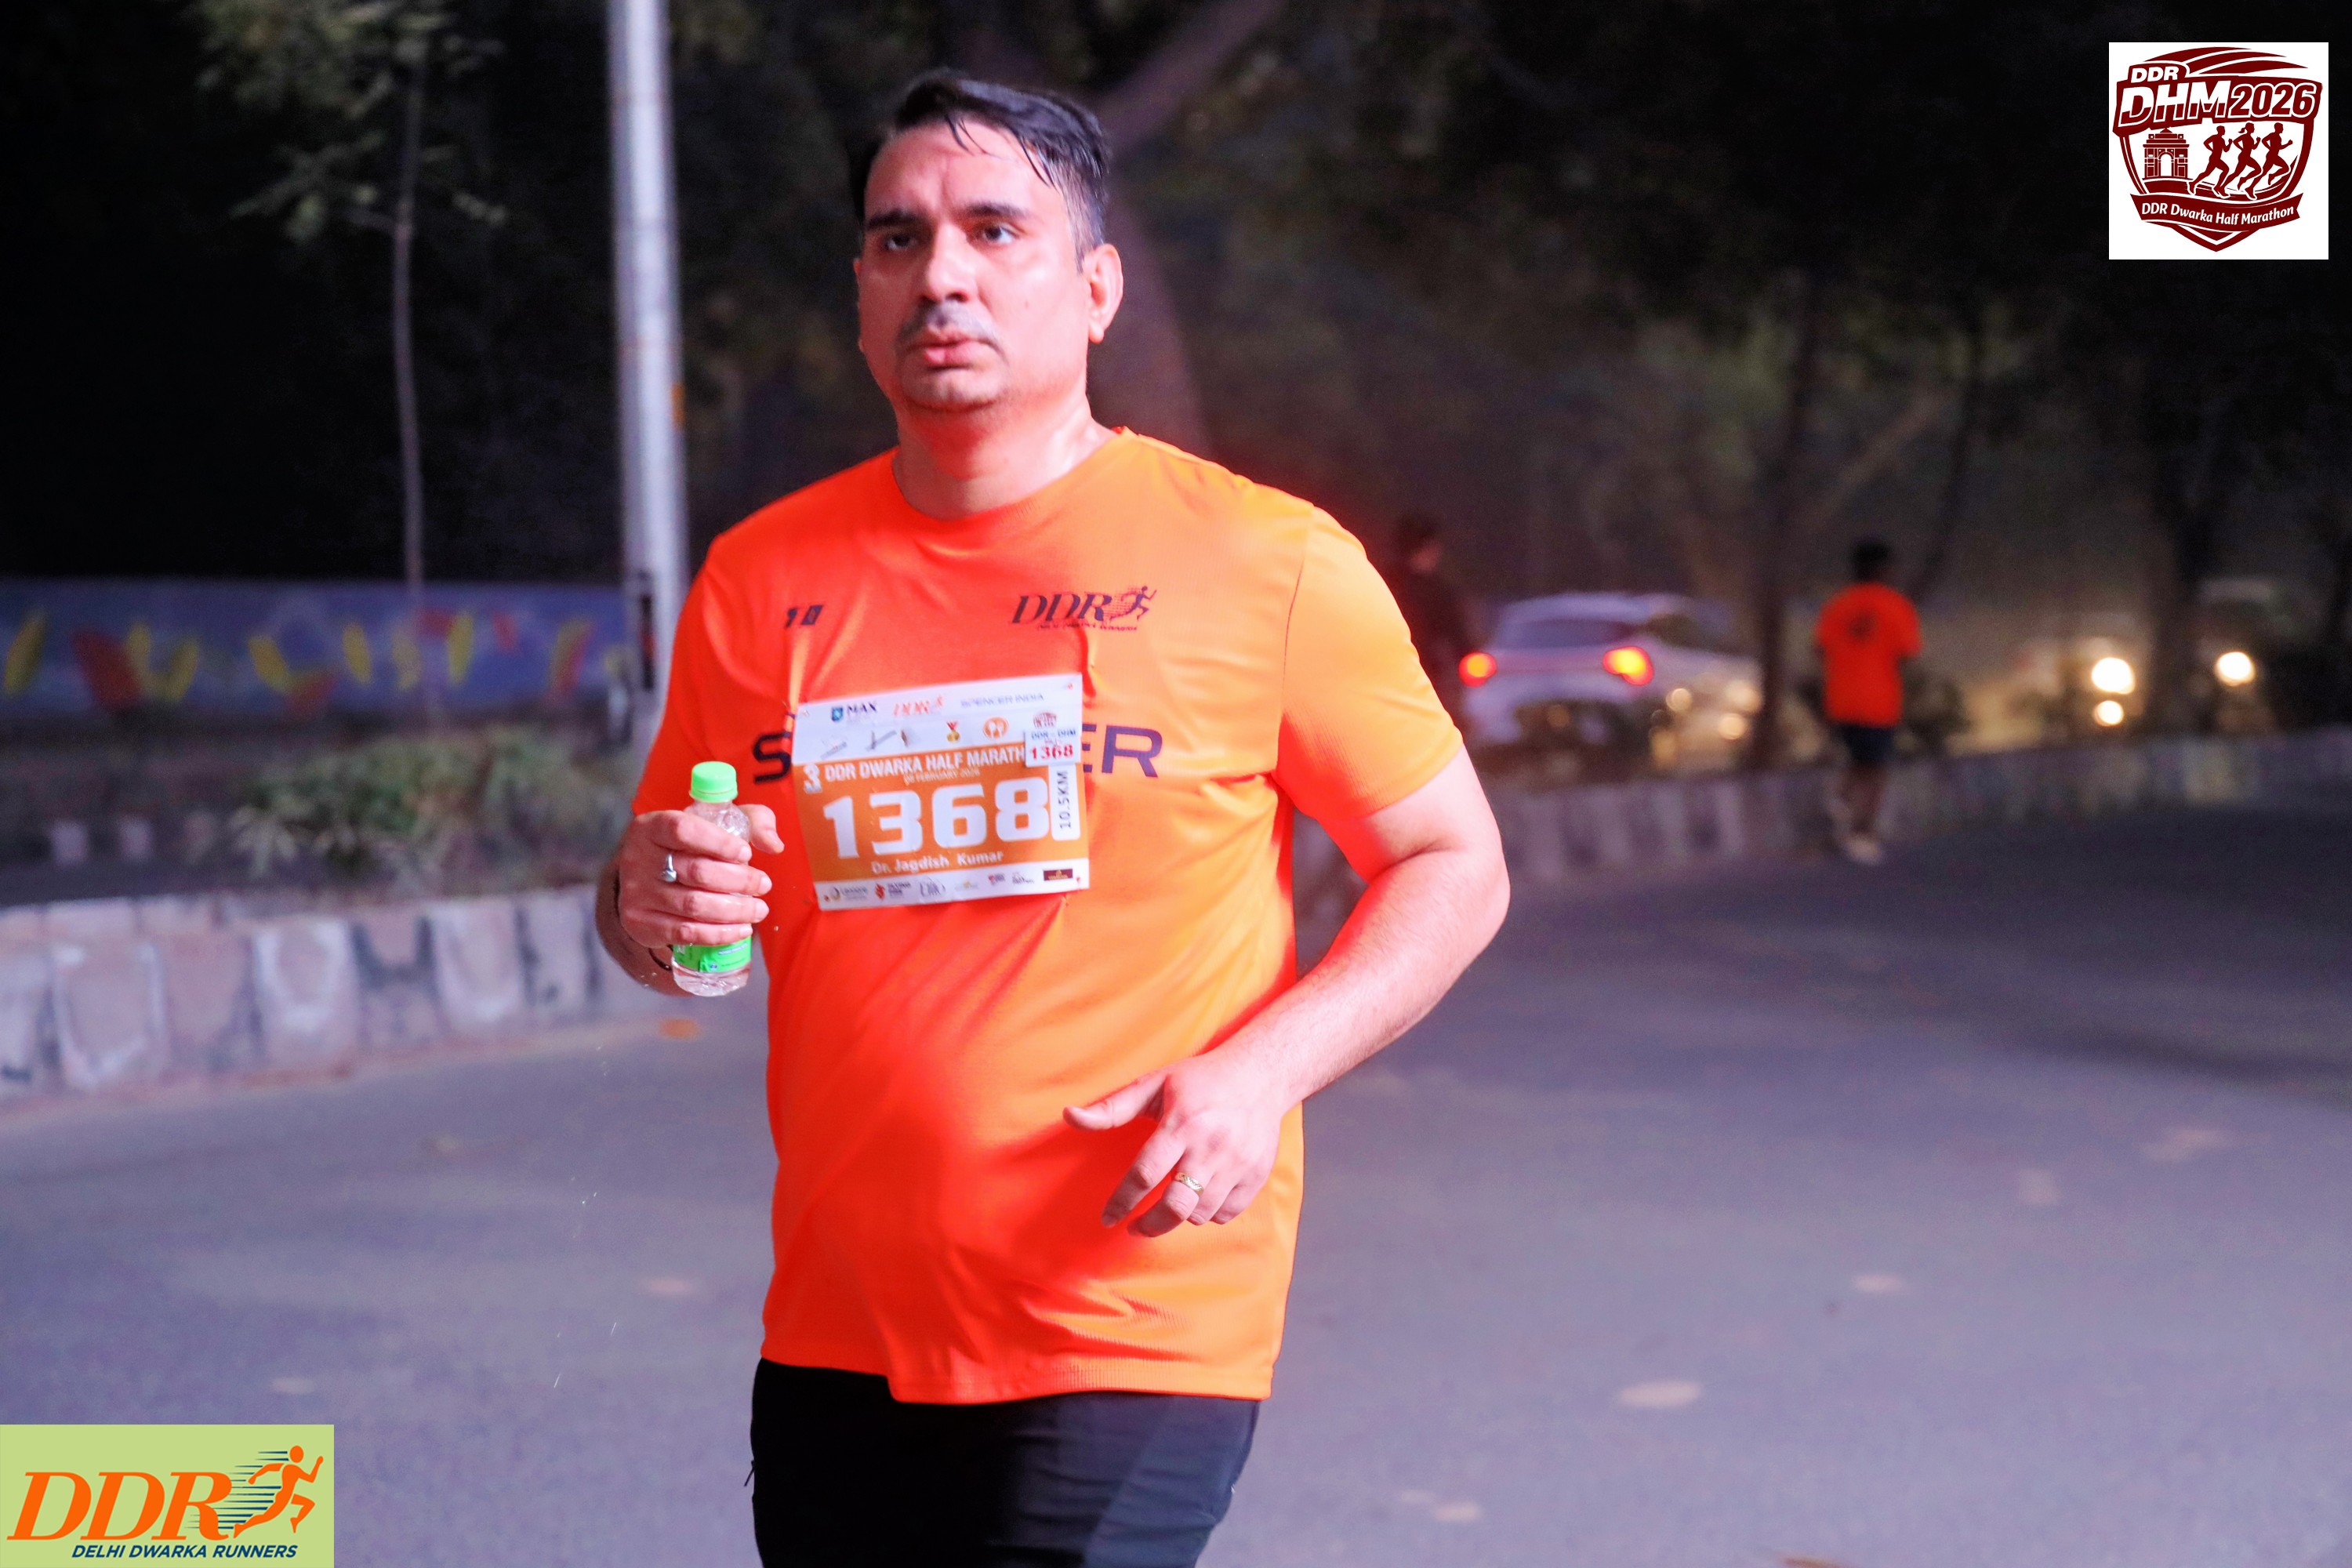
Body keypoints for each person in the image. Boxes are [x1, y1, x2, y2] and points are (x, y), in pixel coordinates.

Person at [592, 71, 1510, 1568]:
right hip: (838, 1326)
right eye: (897, 238)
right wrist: (642, 901)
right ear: (860, 292)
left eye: (994, 229)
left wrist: (1262, 1075)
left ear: (1095, 290)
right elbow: (676, 924)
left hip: (1130, 1316)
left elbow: (1451, 861)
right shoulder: (760, 579)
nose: (939, 273)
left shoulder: (1264, 561)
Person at [1813, 538, 1920, 865]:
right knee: (1876, 770)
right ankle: (1862, 831)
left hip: (1842, 700)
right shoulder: (1895, 605)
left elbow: (1820, 648)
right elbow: (1907, 654)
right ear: (1882, 568)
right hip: (1879, 702)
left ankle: (1841, 801)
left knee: (1860, 760)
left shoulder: (1838, 605)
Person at [1379, 511, 1475, 720]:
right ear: (1429, 548)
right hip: (1423, 679)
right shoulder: (1438, 592)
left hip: (1382, 679)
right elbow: (1458, 639)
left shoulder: (1379, 583)